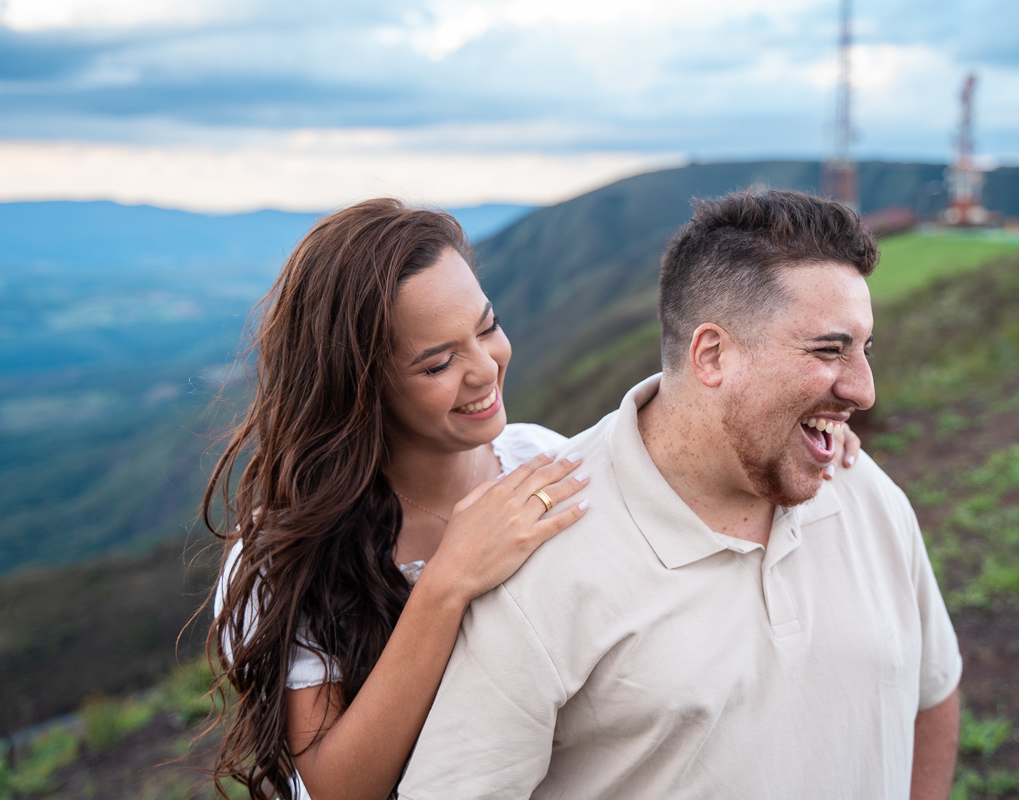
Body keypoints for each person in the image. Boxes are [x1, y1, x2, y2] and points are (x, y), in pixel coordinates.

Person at [205, 198, 863, 800]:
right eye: (437, 363)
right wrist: (448, 582)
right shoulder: (284, 554)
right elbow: (340, 789)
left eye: (486, 327)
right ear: (358, 388)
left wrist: (801, 437)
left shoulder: (544, 462)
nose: (485, 368)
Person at [398, 190, 963, 800]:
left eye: (864, 348)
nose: (864, 390)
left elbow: (931, 696)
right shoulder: (538, 546)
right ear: (713, 355)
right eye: (829, 349)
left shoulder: (865, 491)